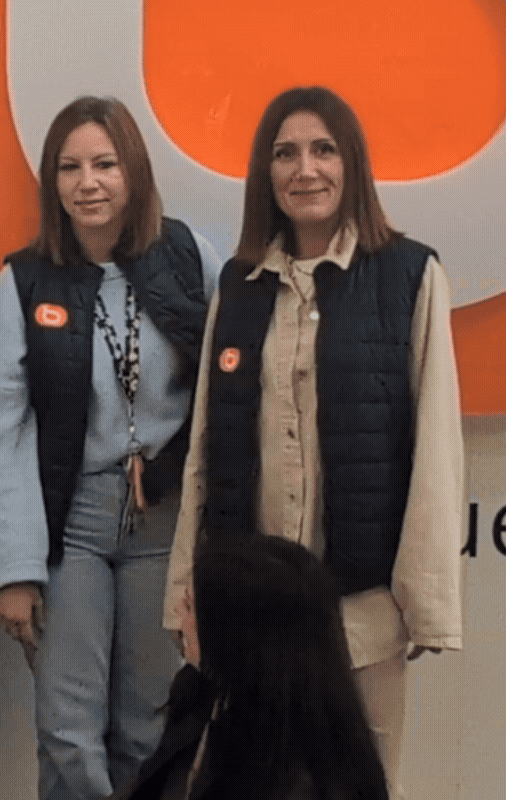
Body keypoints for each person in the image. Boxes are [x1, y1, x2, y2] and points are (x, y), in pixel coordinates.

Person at [163, 86, 464, 799]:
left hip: (361, 615)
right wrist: (185, 592)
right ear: (265, 173)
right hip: (252, 616)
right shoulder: (239, 286)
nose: (305, 170)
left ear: (350, 163)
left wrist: (426, 601)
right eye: (286, 153)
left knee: (360, 787)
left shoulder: (411, 275)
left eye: (323, 150)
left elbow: (436, 450)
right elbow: (206, 447)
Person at [0, 96, 223, 800]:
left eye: (105, 164)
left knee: (150, 722)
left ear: (133, 170)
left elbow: (226, 387)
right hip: (70, 519)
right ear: (50, 180)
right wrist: (13, 568)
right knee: (67, 726)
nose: (88, 183)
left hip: (163, 518)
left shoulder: (189, 256)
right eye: (69, 167)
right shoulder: (25, 279)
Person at [116, 534, 388, 800]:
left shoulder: (303, 780)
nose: (177, 611)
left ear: (237, 639)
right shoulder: (200, 691)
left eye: (189, 606)